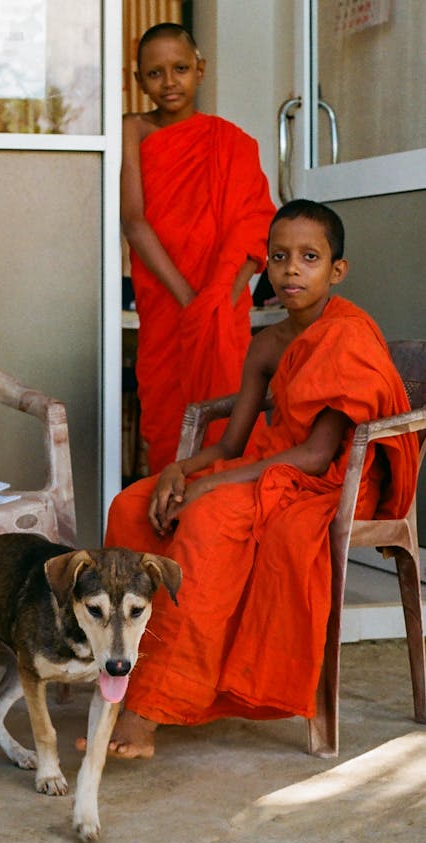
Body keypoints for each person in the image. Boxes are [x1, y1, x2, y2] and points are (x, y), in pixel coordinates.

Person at [102, 199, 419, 758]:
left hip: (326, 482)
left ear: (336, 270)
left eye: (309, 257)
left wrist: (208, 487)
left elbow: (319, 455)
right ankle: (117, 672)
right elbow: (228, 443)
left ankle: (153, 707)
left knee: (208, 519)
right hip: (269, 467)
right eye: (279, 257)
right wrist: (179, 470)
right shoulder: (268, 343)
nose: (292, 269)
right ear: (266, 267)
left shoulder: (345, 335)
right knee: (133, 505)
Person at [122, 22, 276, 474]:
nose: (169, 82)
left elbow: (255, 224)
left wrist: (221, 299)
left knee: (227, 412)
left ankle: (222, 524)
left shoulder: (231, 143)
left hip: (220, 304)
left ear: (201, 70)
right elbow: (134, 222)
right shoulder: (134, 130)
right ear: (138, 81)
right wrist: (189, 300)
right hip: (167, 300)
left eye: (181, 68)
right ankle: (167, 529)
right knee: (168, 417)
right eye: (155, 73)